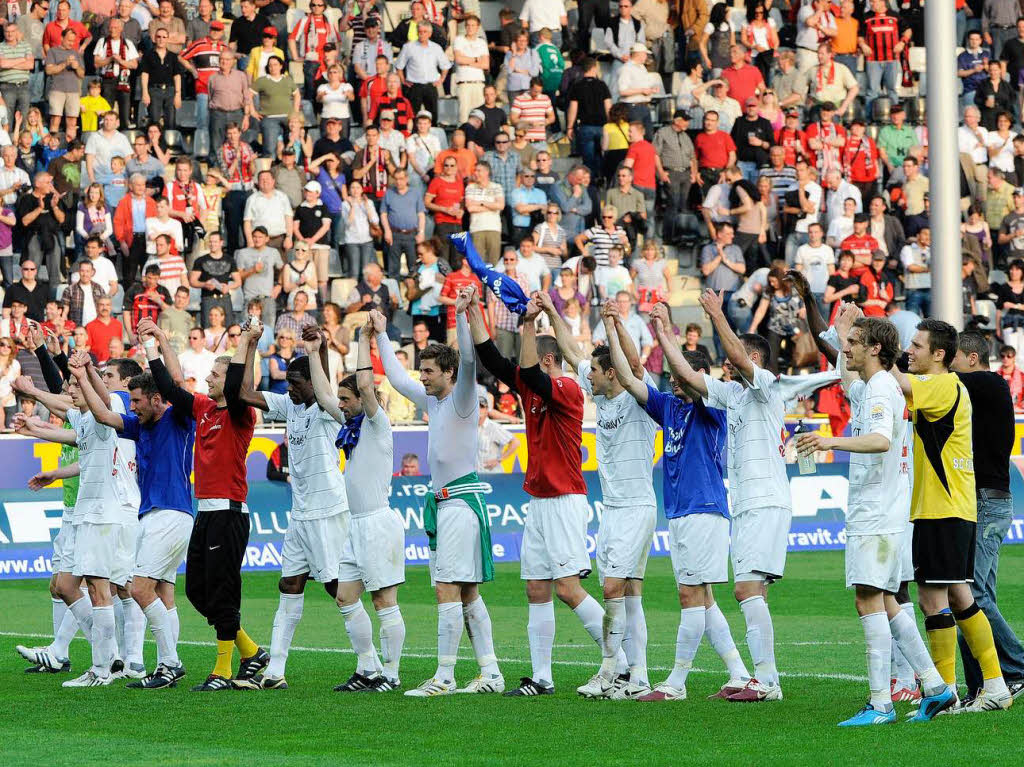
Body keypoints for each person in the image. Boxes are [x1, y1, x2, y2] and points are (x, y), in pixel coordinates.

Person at [468, 289, 608, 698]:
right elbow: (492, 359)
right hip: (541, 500)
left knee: (567, 587)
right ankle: (542, 677)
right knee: (536, 587)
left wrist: (529, 321)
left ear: (547, 360)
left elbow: (527, 374)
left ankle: (620, 660)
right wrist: (473, 310)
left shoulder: (566, 387)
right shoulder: (533, 385)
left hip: (565, 498)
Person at [608, 302, 751, 701]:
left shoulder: (714, 406)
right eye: (669, 376)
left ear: (698, 376)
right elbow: (629, 378)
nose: (673, 382)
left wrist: (664, 330)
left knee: (689, 596)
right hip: (682, 513)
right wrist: (614, 325)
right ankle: (738, 673)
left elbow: (687, 376)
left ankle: (675, 682)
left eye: (679, 377)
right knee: (702, 598)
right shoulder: (668, 405)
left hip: (704, 509)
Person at [375, 288, 504, 696]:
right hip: (446, 505)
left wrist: (462, 315)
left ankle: (445, 676)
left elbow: (468, 359)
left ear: (447, 373)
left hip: (462, 503)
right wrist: (380, 333)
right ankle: (491, 672)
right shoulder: (433, 401)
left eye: (429, 371)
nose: (423, 376)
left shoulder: (464, 397)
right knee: (465, 593)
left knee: (447, 588)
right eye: (423, 370)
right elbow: (396, 378)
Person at [887, 318, 1014, 714]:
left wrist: (879, 346)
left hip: (944, 508)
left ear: (939, 355)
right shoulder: (941, 386)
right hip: (945, 506)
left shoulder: (941, 384)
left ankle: (952, 690)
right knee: (957, 594)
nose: (910, 351)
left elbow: (898, 383)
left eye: (917, 346)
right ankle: (982, 687)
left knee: (935, 597)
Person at [545, 296, 658, 699]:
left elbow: (635, 365)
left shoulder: (637, 393)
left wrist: (615, 323)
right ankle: (639, 676)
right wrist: (551, 311)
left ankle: (610, 670)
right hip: (611, 509)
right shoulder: (601, 390)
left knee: (612, 588)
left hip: (636, 507)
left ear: (612, 373)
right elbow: (570, 348)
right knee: (630, 594)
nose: (586, 376)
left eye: (594, 371)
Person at [145, 315, 266, 691]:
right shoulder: (203, 409)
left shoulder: (239, 412)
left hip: (229, 512)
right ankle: (251, 651)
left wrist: (246, 341)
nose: (209, 378)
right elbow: (169, 386)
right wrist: (156, 342)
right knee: (197, 590)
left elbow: (235, 381)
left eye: (215, 374)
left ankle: (223, 670)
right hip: (205, 512)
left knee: (224, 592)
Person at [15, 350, 139, 687]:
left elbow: (93, 408)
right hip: (87, 513)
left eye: (74, 385)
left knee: (104, 590)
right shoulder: (86, 420)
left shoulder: (105, 414)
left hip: (104, 513)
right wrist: (35, 432)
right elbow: (73, 436)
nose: (70, 390)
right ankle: (110, 655)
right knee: (69, 585)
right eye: (70, 385)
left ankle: (104, 667)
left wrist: (84, 374)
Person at [72, 356, 194, 689]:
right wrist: (83, 376)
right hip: (154, 515)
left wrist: (156, 346)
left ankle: (170, 663)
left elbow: (174, 384)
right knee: (161, 592)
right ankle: (167, 663)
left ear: (157, 399)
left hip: (171, 513)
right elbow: (104, 413)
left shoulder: (179, 418)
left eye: (138, 400)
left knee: (138, 588)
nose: (133, 406)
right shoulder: (141, 426)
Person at [302, 320, 407, 691]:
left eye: (348, 401)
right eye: (342, 401)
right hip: (355, 525)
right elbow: (324, 395)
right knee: (345, 597)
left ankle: (391, 675)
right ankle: (368, 668)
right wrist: (314, 353)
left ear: (365, 401)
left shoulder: (378, 425)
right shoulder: (352, 426)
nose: (342, 406)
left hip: (378, 523)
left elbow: (363, 383)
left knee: (383, 601)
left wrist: (364, 339)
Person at [949, 331, 1024, 702]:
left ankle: (1018, 666)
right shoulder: (978, 389)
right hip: (982, 500)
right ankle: (981, 683)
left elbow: (941, 381)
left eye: (954, 358)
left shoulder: (989, 384)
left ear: (973, 359)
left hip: (986, 501)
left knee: (971, 592)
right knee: (972, 595)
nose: (949, 365)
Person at [395, 21, 450, 120]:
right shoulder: (408, 47)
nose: (422, 34)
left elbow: (445, 66)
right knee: (412, 116)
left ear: (430, 34)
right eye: (420, 31)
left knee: (433, 116)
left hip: (431, 86)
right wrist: (403, 80)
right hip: (414, 87)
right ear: (417, 32)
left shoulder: (436, 48)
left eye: (425, 32)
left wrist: (442, 79)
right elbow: (399, 66)